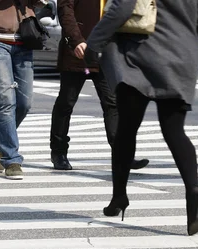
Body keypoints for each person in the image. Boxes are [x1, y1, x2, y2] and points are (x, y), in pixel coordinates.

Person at [87, 0, 198, 236]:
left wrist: (94, 43)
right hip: (181, 54)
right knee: (174, 130)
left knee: (127, 129)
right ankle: (193, 192)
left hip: (138, 56)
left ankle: (119, 196)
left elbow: (122, 9)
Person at [49, 0, 149, 171]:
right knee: (66, 102)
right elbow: (66, 11)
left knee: (113, 103)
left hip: (106, 51)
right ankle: (58, 152)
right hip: (79, 50)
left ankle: (122, 155)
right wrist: (76, 40)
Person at [0, 0, 45, 180]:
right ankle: (11, 159)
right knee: (6, 100)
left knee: (24, 103)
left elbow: (43, 3)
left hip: (25, 37)